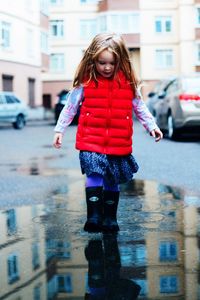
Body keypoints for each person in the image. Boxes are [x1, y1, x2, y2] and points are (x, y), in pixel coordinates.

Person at [53, 33, 163, 233]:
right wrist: (60, 129)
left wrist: (152, 125)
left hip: (118, 143)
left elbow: (140, 107)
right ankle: (94, 216)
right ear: (92, 59)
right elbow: (70, 107)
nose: (106, 67)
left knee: (112, 179)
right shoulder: (86, 82)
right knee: (94, 174)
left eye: (112, 63)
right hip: (91, 141)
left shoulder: (128, 83)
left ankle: (110, 219)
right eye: (101, 62)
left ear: (120, 60)